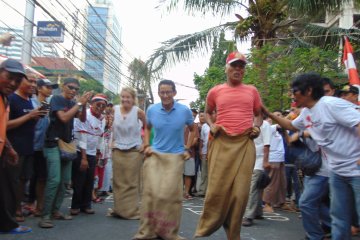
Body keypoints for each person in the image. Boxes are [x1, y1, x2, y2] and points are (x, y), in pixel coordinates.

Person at [262, 72, 360, 240]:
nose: (292, 96)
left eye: (295, 91)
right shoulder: (307, 112)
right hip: (337, 171)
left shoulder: (331, 104)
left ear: (308, 90)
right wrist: (267, 112)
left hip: (357, 171)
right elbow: (291, 126)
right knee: (339, 220)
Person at [194, 51, 263, 240]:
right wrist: (212, 124)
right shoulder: (215, 91)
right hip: (222, 143)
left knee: (240, 195)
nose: (238, 69)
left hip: (244, 144)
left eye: (241, 66)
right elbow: (208, 113)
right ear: (227, 67)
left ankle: (234, 234)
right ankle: (206, 227)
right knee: (217, 191)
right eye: (234, 65)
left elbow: (258, 114)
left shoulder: (252, 90)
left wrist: (256, 126)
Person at [134, 79, 195, 240]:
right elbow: (147, 127)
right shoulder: (152, 110)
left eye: (168, 92)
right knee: (151, 194)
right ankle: (148, 231)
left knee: (169, 196)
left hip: (175, 157)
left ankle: (168, 232)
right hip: (156, 156)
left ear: (174, 93)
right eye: (162, 92)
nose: (165, 95)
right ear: (159, 93)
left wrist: (187, 147)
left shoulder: (184, 111)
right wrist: (146, 144)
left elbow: (193, 128)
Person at [39, 78, 92, 228]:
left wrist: (84, 103)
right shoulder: (57, 98)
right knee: (54, 180)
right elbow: (63, 118)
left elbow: (82, 118)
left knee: (65, 181)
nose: (74, 91)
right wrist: (79, 103)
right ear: (63, 86)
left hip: (67, 145)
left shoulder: (72, 103)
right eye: (71, 87)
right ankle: (45, 215)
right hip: (52, 143)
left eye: (76, 89)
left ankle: (55, 211)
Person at [7, 72, 48, 222]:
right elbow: (5, 125)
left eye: (35, 82)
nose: (32, 85)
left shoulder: (31, 101)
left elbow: (29, 125)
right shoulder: (11, 99)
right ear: (20, 81)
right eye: (29, 81)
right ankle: (12, 212)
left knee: (24, 180)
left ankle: (17, 209)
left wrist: (36, 117)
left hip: (29, 147)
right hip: (13, 148)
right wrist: (29, 116)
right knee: (12, 181)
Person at [0, 58, 32, 234]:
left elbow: (1, 128)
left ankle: (7, 224)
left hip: (4, 152)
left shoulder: (5, 99)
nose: (12, 83)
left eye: (17, 80)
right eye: (9, 77)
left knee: (6, 190)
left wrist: (8, 148)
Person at [111, 87, 146, 219]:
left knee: (132, 182)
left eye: (128, 97)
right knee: (118, 182)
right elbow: (109, 126)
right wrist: (112, 141)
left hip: (134, 151)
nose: (125, 99)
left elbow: (148, 127)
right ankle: (119, 210)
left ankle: (131, 211)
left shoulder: (138, 112)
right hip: (118, 150)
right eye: (123, 97)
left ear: (133, 99)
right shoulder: (114, 109)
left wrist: (145, 143)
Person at [70, 94, 107, 216]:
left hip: (92, 154)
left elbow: (100, 137)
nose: (100, 107)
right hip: (81, 152)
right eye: (98, 104)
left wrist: (98, 154)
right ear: (92, 104)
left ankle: (86, 205)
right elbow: (82, 137)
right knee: (79, 180)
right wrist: (84, 158)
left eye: (103, 105)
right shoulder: (85, 114)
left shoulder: (102, 119)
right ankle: (75, 206)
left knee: (89, 181)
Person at [27, 79, 58, 217]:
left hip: (42, 147)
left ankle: (39, 206)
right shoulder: (31, 103)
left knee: (41, 177)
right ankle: (27, 203)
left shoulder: (47, 105)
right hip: (29, 145)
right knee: (26, 176)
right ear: (39, 88)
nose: (50, 89)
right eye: (48, 87)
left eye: (52, 87)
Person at [242, 118, 272, 227]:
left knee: (253, 187)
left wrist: (265, 161)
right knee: (258, 186)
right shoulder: (248, 122)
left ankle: (249, 215)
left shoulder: (266, 125)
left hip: (259, 159)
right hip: (249, 158)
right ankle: (258, 212)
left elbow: (267, 144)